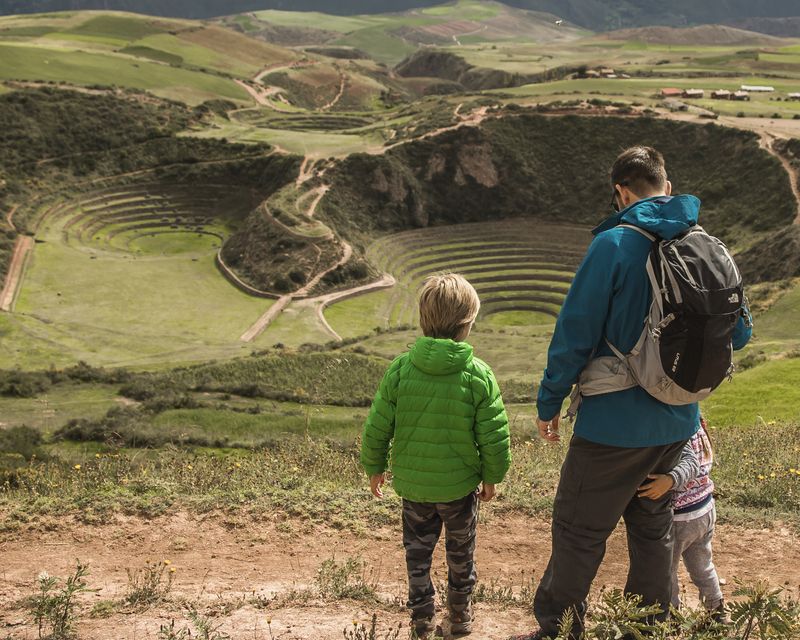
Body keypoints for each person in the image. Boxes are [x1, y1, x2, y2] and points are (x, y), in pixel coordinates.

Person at [511, 146, 752, 640]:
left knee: (579, 529)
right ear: (667, 185)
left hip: (612, 427)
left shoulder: (614, 244)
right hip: (678, 425)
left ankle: (558, 629)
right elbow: (739, 333)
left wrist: (549, 401)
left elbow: (575, 332)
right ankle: (647, 628)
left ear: (620, 191)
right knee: (651, 530)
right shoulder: (706, 243)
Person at [360, 273, 512, 638]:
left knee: (417, 553)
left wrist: (375, 465)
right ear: (468, 323)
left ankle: (422, 620)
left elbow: (378, 423)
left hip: (414, 488)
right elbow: (494, 436)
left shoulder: (401, 369)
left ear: (423, 319)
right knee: (461, 554)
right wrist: (492, 476)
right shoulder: (478, 375)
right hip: (459, 490)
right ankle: (459, 618)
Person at [638, 417, 727, 622]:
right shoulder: (696, 422)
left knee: (666, 571)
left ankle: (673, 617)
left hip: (682, 515)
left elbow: (691, 465)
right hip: (705, 508)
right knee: (703, 567)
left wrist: (669, 480)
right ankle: (717, 612)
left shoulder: (677, 426)